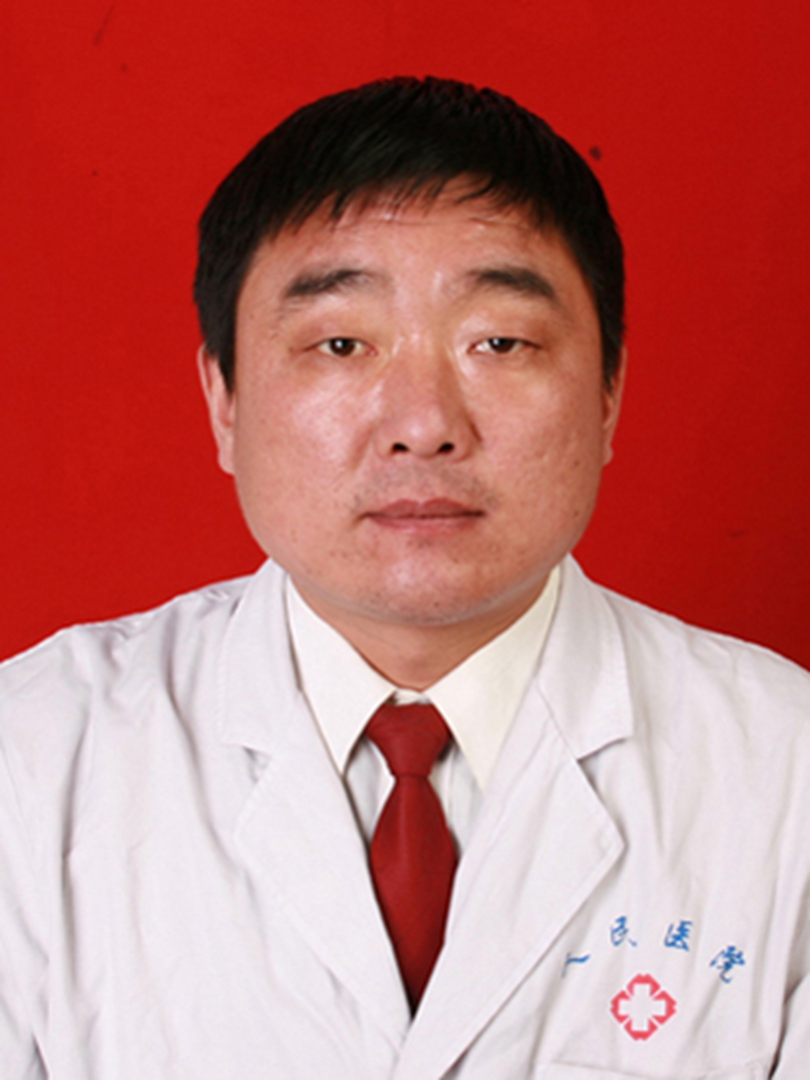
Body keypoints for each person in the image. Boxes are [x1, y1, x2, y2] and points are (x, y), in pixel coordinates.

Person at [0, 76, 807, 1079]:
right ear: (224, 401)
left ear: (609, 391)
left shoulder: (787, 775)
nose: (424, 424)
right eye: (341, 344)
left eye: (499, 342)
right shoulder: (33, 760)